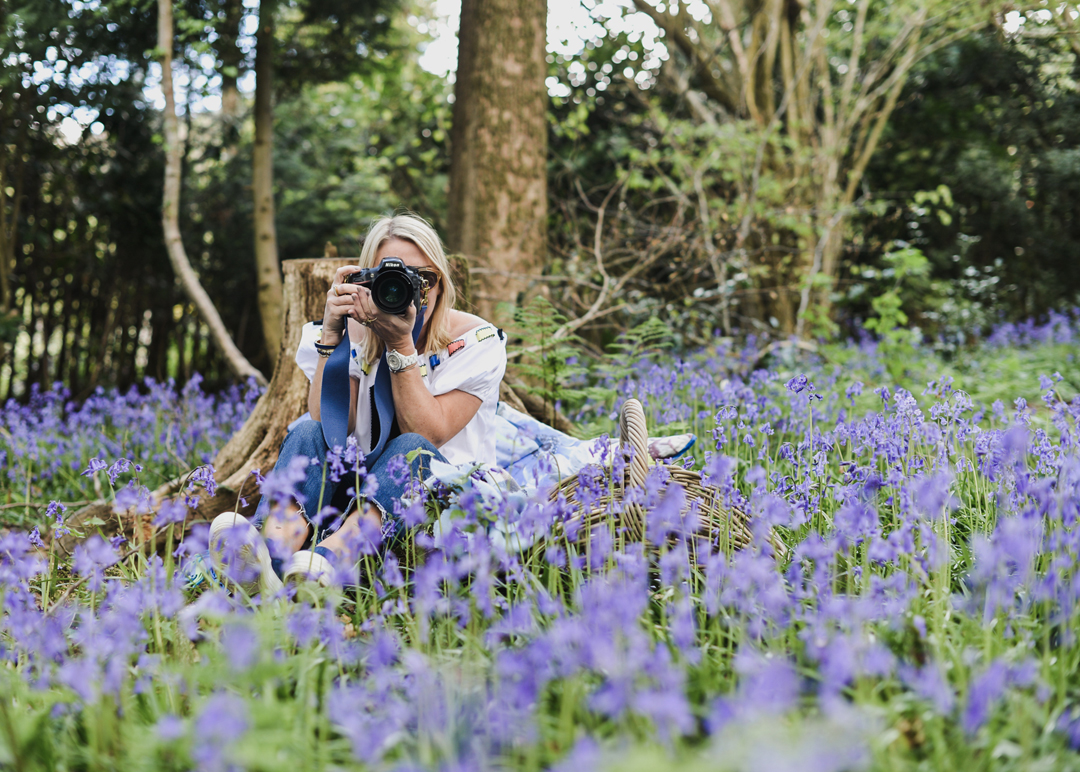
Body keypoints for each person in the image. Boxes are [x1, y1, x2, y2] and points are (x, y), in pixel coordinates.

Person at [209, 213, 507, 593]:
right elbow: (328, 419)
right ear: (366, 280)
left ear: (441, 283)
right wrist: (334, 337)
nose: (412, 291)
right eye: (391, 279)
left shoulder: (476, 341)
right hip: (358, 485)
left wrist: (401, 346)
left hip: (439, 498)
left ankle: (327, 561)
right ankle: (269, 560)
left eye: (424, 279)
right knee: (305, 430)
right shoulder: (356, 330)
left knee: (412, 449)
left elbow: (428, 434)